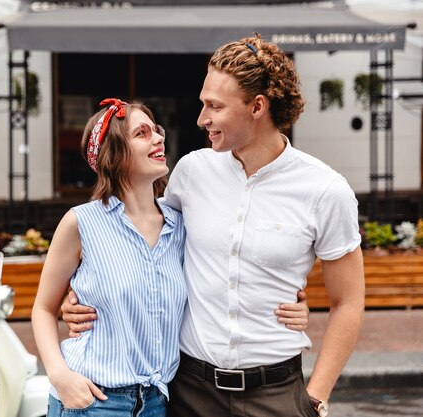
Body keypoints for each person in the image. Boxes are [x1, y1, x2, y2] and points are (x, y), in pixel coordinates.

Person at [61, 33, 365, 417]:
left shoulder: (325, 190)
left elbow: (349, 302)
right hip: (189, 392)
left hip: (276, 394)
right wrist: (79, 296)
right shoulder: (191, 171)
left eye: (214, 106)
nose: (201, 118)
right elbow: (140, 241)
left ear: (257, 106)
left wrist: (316, 397)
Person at [33, 98, 308, 417]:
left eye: (157, 130)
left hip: (159, 402)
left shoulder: (181, 225)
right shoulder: (81, 223)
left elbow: (230, 269)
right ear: (113, 153)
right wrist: (59, 376)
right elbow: (43, 307)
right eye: (142, 133)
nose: (158, 137)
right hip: (93, 400)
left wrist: (297, 301)